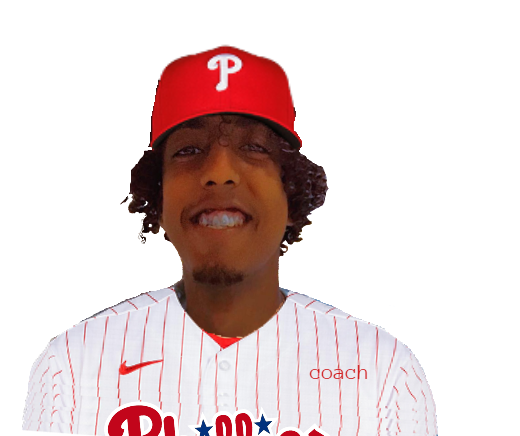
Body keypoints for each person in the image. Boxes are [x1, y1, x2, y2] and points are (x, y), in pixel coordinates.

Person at [22, 45, 437, 436]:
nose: (220, 173)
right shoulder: (71, 366)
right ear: (157, 198)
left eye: (254, 147)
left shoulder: (383, 371)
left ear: (292, 194)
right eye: (189, 150)